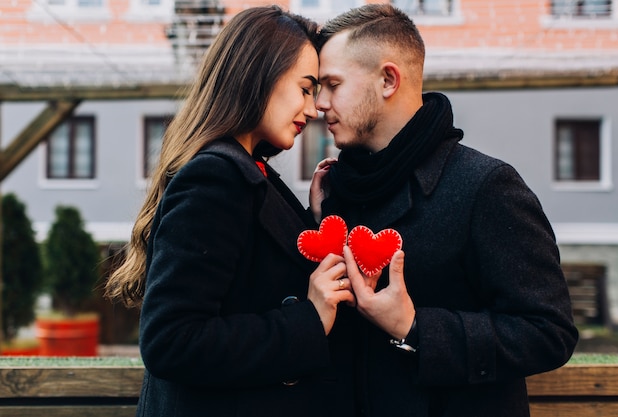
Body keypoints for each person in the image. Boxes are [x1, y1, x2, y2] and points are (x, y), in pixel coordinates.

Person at [311, 4, 579, 417]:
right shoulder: (340, 191)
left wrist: (415, 328)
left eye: (332, 84)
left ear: (387, 80)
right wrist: (319, 224)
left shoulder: (485, 186)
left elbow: (549, 333)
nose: (319, 105)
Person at [104, 6, 355, 417]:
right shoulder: (216, 177)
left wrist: (310, 220)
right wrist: (308, 319)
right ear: (260, 74)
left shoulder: (246, 171)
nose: (313, 109)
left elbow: (249, 281)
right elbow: (171, 340)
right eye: (305, 88)